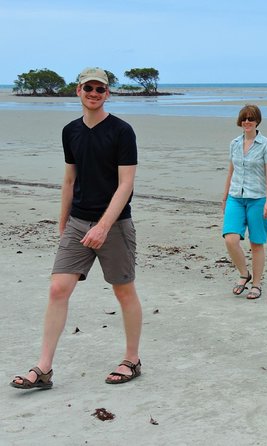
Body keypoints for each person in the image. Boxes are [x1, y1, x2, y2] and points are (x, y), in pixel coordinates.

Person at [10, 67, 143, 389]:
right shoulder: (70, 131)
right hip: (77, 222)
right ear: (78, 91)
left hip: (115, 224)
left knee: (123, 291)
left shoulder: (122, 131)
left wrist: (103, 226)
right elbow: (70, 178)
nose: (94, 93)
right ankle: (43, 369)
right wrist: (63, 220)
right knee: (58, 289)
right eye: (88, 88)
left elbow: (126, 185)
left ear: (107, 93)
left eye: (100, 89)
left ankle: (132, 359)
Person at [221, 105, 267, 299]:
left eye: (251, 119)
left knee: (256, 243)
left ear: (257, 121)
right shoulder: (234, 143)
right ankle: (244, 274)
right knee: (230, 238)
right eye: (244, 119)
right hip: (236, 197)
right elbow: (231, 170)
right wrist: (225, 195)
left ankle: (257, 284)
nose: (247, 122)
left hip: (258, 199)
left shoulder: (266, 144)